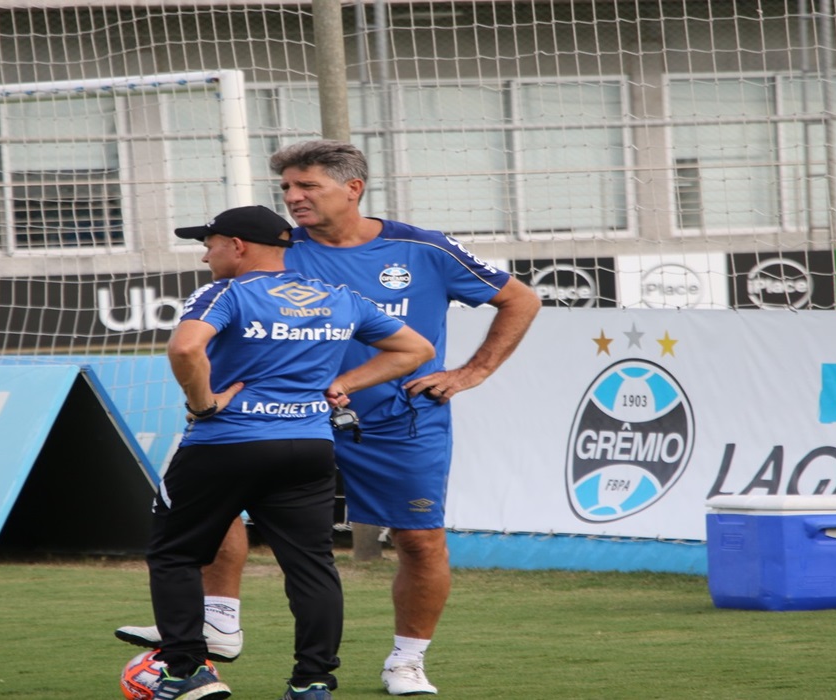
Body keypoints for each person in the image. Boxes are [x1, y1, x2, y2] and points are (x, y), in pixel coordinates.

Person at [121, 141, 541, 696]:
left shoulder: (423, 249)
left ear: (353, 188)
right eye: (288, 189)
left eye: (307, 186)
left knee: (419, 541)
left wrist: (470, 373)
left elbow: (522, 300)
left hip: (397, 421)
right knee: (218, 502)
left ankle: (406, 662)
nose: (293, 198)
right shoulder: (276, 249)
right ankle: (220, 621)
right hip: (291, 422)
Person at [144, 204, 436, 700]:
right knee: (311, 566)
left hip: (224, 444)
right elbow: (416, 350)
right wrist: (341, 383)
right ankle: (313, 680)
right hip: (308, 448)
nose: (205, 257)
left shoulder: (226, 292)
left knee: (174, 554)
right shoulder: (339, 297)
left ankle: (187, 671)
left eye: (208, 245)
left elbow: (185, 349)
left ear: (236, 245)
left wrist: (205, 405)